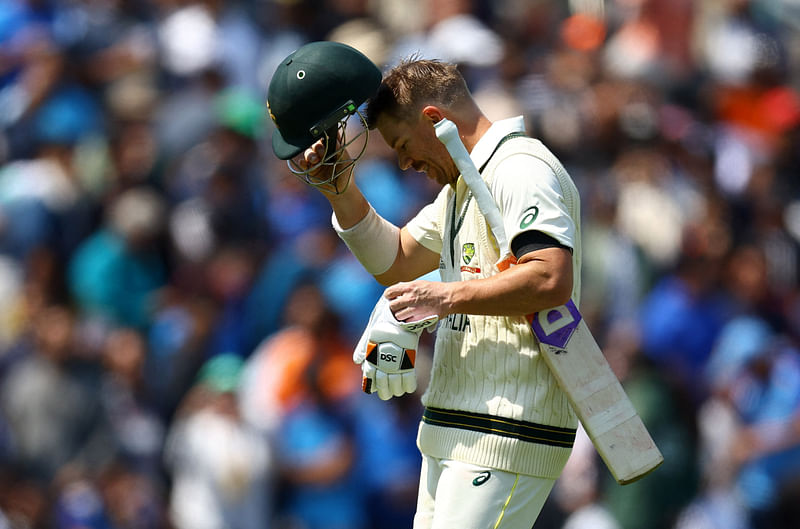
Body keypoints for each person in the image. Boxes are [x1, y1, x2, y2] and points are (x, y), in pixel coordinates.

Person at [267, 41, 582, 529]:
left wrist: (439, 296)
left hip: (506, 426)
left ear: (435, 118)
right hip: (454, 425)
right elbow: (397, 262)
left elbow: (549, 277)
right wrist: (340, 191)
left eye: (404, 147)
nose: (405, 164)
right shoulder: (461, 188)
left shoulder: (521, 167)